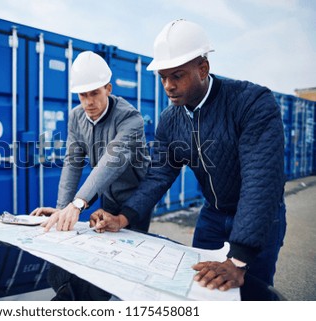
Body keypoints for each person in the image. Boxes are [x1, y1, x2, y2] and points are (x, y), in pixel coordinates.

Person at [90, 19, 287, 298]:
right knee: (199, 291)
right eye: (163, 77)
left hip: (260, 219)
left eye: (177, 76)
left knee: (248, 296)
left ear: (203, 69)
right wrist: (123, 217)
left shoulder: (251, 103)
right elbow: (158, 175)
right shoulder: (170, 120)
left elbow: (261, 180)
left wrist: (240, 258)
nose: (168, 86)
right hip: (213, 217)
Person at [30, 51, 151, 300]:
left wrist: (78, 203)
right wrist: (63, 209)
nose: (88, 102)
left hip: (135, 199)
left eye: (95, 93)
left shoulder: (131, 118)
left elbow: (113, 160)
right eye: (82, 95)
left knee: (130, 261)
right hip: (105, 194)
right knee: (102, 255)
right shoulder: (76, 117)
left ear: (108, 88)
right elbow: (73, 162)